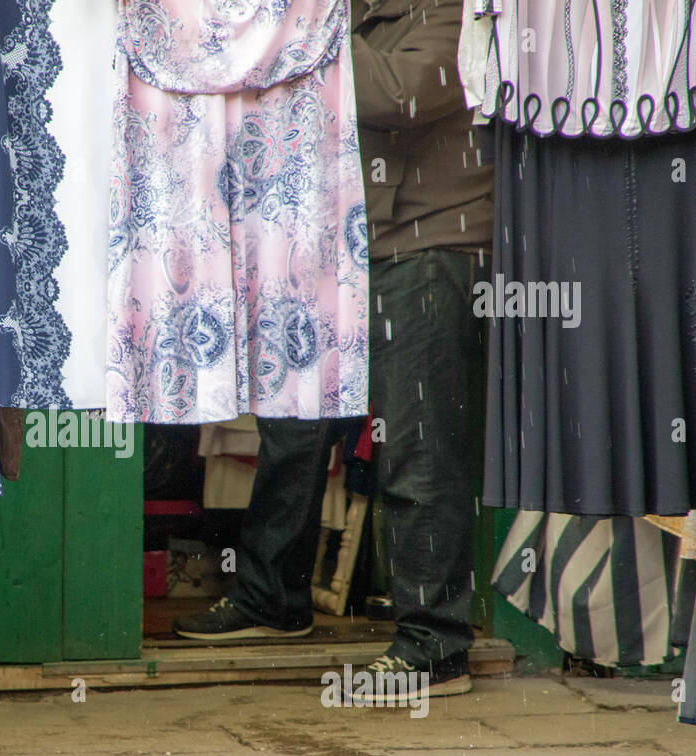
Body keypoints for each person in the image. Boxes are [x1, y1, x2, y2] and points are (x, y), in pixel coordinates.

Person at [174, 0, 493, 700]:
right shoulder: (347, 13)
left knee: (419, 447)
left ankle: (433, 641)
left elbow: (396, 95)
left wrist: (309, 24)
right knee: (291, 425)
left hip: (429, 241)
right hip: (339, 238)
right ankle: (272, 597)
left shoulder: (458, 14)